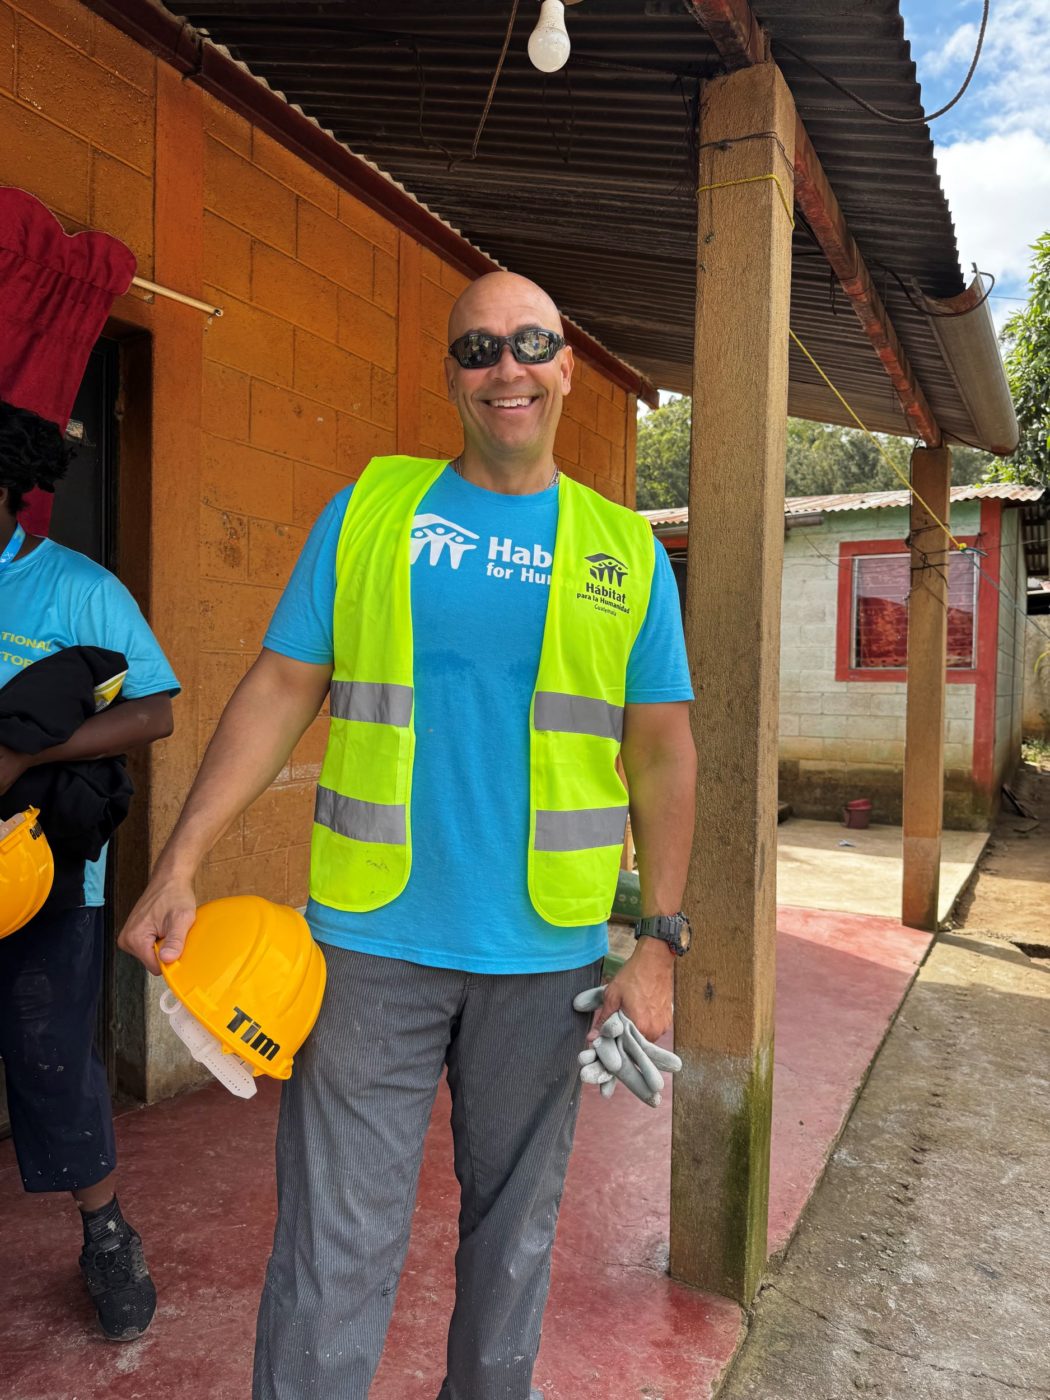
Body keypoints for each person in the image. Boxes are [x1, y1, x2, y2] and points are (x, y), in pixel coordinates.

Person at [120, 271, 697, 1398]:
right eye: (477, 350)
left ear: (568, 363)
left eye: (531, 343)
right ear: (451, 375)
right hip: (370, 948)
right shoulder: (373, 511)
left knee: (512, 1248)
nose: (506, 368)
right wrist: (180, 857)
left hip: (549, 958)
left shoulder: (623, 548)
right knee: (331, 1252)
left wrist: (661, 939)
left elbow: (665, 750)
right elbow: (283, 683)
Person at [0, 399, 178, 1341]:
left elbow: (156, 712)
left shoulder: (78, 589)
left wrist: (27, 756)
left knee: (54, 1060)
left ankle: (106, 1234)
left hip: (47, 878)